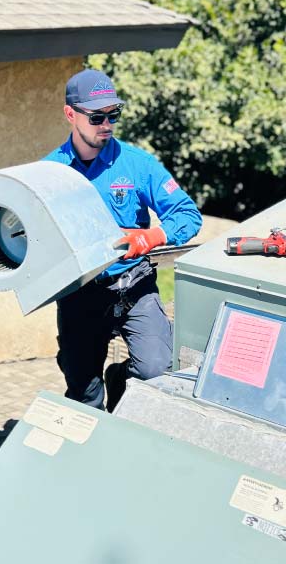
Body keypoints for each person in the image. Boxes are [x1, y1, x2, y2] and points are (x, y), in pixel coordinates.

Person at [43, 69, 202, 411]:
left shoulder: (137, 164)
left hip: (135, 286)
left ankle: (121, 379)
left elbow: (187, 215)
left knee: (156, 369)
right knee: (84, 393)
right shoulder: (49, 173)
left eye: (113, 115)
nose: (107, 124)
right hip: (80, 295)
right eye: (97, 116)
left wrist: (152, 236)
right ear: (71, 114)